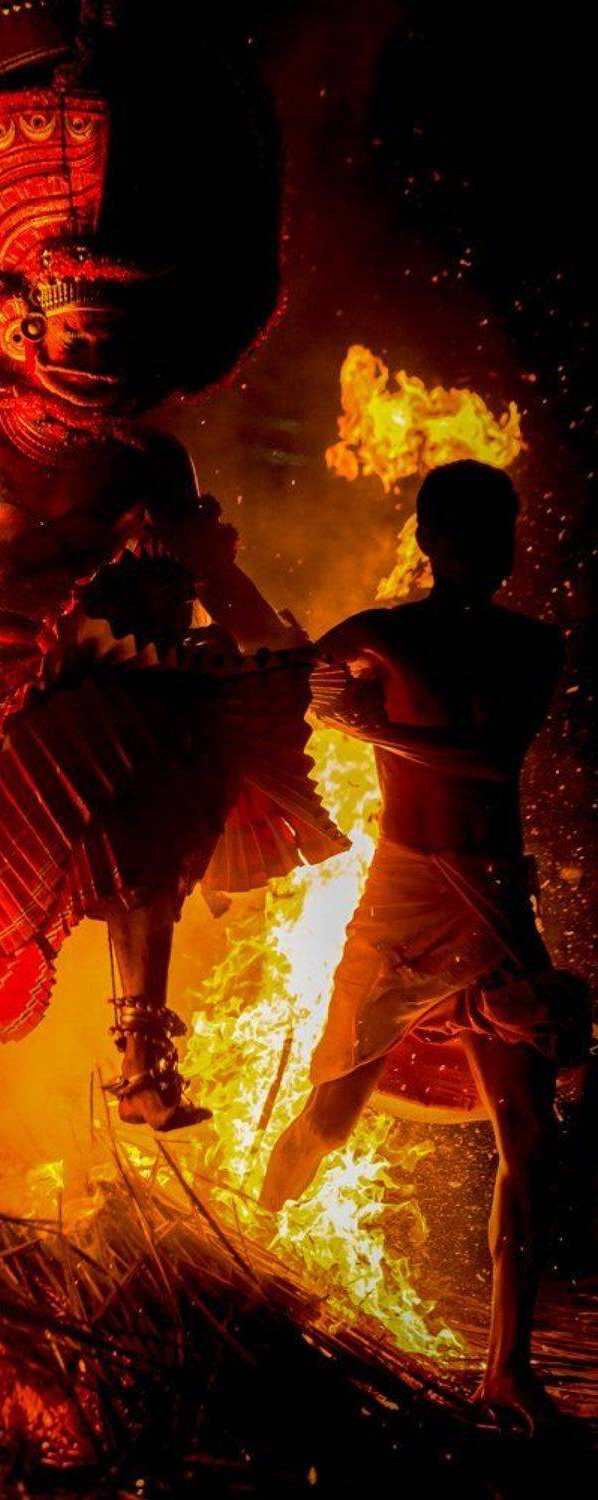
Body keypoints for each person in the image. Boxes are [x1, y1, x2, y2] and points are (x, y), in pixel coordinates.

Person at [0, 4, 348, 1134]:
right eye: (79, 337)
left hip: (60, 695)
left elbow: (211, 600)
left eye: (116, 340)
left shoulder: (149, 463)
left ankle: (142, 1051)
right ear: (24, 330)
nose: (95, 359)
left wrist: (251, 625)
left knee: (178, 762)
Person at [260, 459, 590, 1423]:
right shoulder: (379, 636)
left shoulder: (535, 645)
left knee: (531, 1137)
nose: (494, 552)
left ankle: (507, 1370)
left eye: (505, 532)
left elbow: (491, 760)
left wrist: (371, 728)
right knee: (330, 1114)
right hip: (404, 896)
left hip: (492, 897)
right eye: (473, 533)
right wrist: (309, 692)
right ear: (433, 541)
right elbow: (288, 688)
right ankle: (245, 1247)